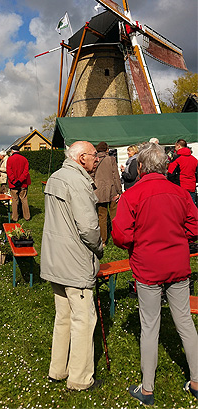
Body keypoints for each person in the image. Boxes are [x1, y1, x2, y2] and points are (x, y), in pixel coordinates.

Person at [112, 142, 198, 405]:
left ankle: (147, 389)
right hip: (177, 262)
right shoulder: (181, 193)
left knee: (149, 326)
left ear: (140, 168)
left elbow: (120, 234)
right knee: (184, 322)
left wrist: (139, 241)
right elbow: (194, 227)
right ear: (164, 167)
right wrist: (175, 236)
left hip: (148, 264)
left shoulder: (132, 195)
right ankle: (196, 381)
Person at [40, 141, 103, 391]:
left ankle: (58, 370)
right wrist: (98, 248)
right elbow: (88, 227)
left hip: (56, 257)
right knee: (83, 320)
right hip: (75, 260)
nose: (96, 160)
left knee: (63, 317)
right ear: (80, 158)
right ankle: (79, 378)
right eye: (93, 156)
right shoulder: (77, 182)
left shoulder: (56, 176)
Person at [93, 141, 122, 246]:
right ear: (106, 150)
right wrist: (120, 191)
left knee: (102, 216)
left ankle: (103, 241)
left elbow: (91, 175)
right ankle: (117, 239)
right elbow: (116, 176)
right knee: (114, 216)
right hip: (112, 190)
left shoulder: (94, 160)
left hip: (98, 191)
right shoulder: (111, 159)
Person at [167, 139, 198, 204]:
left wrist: (173, 183)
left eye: (175, 146)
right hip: (192, 187)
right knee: (191, 210)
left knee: (180, 209)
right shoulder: (194, 159)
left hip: (180, 187)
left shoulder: (176, 159)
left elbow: (170, 173)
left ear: (178, 146)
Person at [6, 145, 31, 222]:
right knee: (24, 199)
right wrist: (20, 180)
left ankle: (15, 217)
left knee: (14, 200)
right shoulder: (24, 159)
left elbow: (9, 171)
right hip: (23, 183)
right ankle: (27, 217)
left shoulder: (10, 159)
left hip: (13, 184)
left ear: (12, 151)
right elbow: (25, 171)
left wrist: (14, 181)